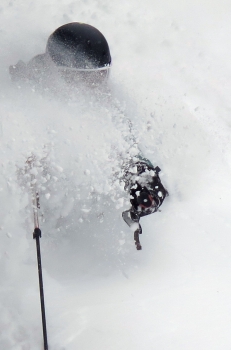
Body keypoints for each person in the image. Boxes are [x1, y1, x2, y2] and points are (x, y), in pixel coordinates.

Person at [11, 23, 168, 250]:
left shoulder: (106, 104)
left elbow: (126, 148)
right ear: (61, 72)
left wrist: (143, 180)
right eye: (88, 78)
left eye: (102, 75)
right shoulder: (28, 97)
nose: (98, 85)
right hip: (37, 224)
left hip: (77, 227)